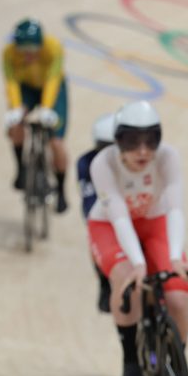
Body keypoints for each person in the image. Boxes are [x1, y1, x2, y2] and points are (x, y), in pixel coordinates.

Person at [87, 100, 188, 376]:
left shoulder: (168, 156)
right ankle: (131, 360)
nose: (144, 151)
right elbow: (119, 217)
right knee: (127, 283)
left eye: (151, 141)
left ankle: (175, 362)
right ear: (118, 142)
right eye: (133, 143)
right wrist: (138, 264)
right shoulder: (102, 163)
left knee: (178, 298)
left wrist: (174, 258)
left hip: (154, 222)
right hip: (109, 225)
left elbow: (175, 210)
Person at [2, 18, 69, 213]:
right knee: (15, 125)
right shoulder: (8, 53)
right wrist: (15, 109)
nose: (29, 53)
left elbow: (53, 79)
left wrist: (47, 107)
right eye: (24, 48)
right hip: (27, 88)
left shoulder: (53, 47)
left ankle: (61, 191)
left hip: (53, 90)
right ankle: (21, 169)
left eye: (33, 48)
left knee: (56, 142)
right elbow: (11, 82)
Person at [76, 114, 115, 313]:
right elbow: (88, 204)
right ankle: (103, 281)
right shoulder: (85, 162)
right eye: (103, 147)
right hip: (102, 210)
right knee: (94, 235)